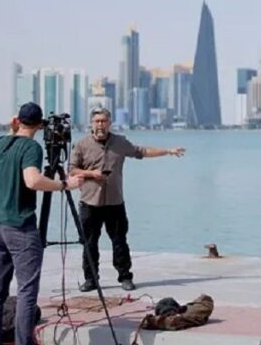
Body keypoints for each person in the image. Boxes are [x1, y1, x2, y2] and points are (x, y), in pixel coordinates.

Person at [0, 102, 83, 345]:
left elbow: (5, 147)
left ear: (17, 120)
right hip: (20, 228)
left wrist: (11, 127)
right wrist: (65, 184)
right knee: (27, 291)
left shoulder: (0, 144)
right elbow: (32, 180)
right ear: (40, 125)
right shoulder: (32, 148)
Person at [69, 107, 185, 292]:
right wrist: (91, 173)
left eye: (104, 121)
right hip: (90, 203)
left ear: (109, 123)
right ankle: (91, 279)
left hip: (115, 202)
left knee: (119, 241)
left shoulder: (120, 142)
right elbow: (72, 169)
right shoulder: (82, 145)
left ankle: (125, 277)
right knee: (90, 243)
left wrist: (168, 151)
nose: (100, 125)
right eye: (97, 121)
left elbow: (142, 152)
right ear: (91, 123)